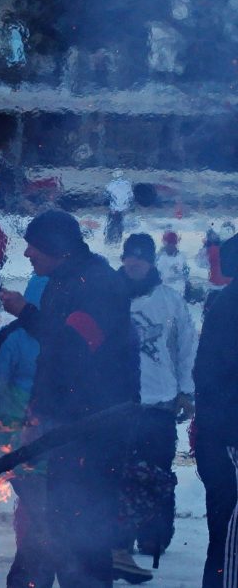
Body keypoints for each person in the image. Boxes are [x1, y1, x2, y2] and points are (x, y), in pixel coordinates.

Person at [1, 209, 138, 587]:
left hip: (94, 429)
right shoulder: (61, 281)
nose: (27, 253)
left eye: (33, 245)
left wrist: (26, 313)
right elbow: (53, 357)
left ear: (56, 247)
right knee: (55, 525)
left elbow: (76, 345)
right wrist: (37, 411)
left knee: (83, 534)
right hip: (63, 426)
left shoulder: (98, 284)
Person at [0, 274, 52, 588]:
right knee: (43, 526)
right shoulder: (11, 339)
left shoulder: (70, 338)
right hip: (23, 452)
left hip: (64, 451)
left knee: (52, 527)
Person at [117, 234, 196, 571]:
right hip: (118, 406)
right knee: (117, 474)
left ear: (150, 261)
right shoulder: (109, 297)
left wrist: (186, 390)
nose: (134, 263)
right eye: (129, 257)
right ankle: (117, 540)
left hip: (160, 403)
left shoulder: (170, 302)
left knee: (158, 475)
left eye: (141, 258)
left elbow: (185, 347)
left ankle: (154, 536)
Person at [193, 234, 238, 588]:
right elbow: (210, 378)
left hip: (222, 434)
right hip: (227, 438)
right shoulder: (231, 308)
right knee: (229, 538)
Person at [156, 230, 189, 298]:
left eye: (172, 243)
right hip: (165, 292)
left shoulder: (181, 257)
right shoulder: (161, 258)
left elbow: (186, 274)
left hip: (178, 291)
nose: (169, 246)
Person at [106, 170, 134, 245]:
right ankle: (117, 239)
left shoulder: (111, 184)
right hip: (122, 209)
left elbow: (107, 195)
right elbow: (130, 196)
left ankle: (110, 240)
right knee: (119, 224)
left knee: (112, 224)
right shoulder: (127, 184)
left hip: (114, 209)